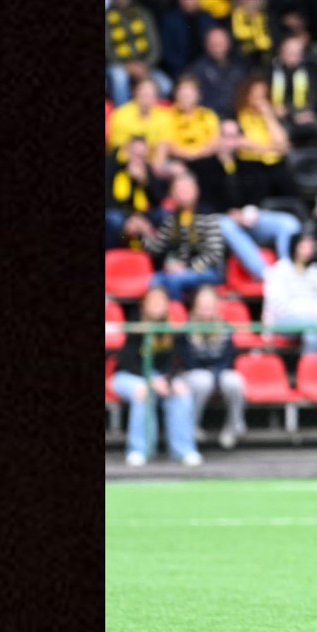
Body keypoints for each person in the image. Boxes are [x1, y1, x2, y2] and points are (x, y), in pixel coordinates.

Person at [111, 285, 202, 467]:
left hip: (160, 378)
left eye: (161, 302)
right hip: (128, 377)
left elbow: (176, 363)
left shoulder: (171, 330)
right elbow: (127, 363)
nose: (157, 306)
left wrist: (168, 381)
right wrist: (150, 381)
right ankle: (139, 450)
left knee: (181, 393)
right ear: (144, 305)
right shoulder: (134, 325)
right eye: (153, 302)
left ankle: (184, 451)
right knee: (143, 393)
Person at [179, 286, 247, 450]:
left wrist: (216, 375)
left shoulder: (226, 328)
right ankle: (191, 426)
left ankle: (234, 426)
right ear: (196, 305)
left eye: (210, 304)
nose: (206, 307)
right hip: (192, 374)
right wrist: (212, 375)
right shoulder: (186, 329)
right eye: (203, 304)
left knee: (235, 381)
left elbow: (229, 359)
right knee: (203, 380)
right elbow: (188, 362)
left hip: (219, 372)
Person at [145, 173, 228, 301]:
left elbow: (214, 254)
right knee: (153, 280)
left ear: (196, 191)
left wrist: (186, 267)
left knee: (174, 280)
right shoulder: (170, 219)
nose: (182, 193)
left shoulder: (208, 216)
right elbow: (157, 248)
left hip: (208, 270)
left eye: (186, 189)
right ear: (172, 194)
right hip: (178, 270)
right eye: (178, 190)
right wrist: (144, 233)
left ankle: (177, 316)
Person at [262, 233, 317, 355]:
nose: (308, 250)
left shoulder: (315, 271)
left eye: (310, 247)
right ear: (295, 247)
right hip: (283, 321)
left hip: (313, 321)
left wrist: (315, 314)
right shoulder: (280, 269)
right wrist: (309, 314)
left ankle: (311, 369)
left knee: (312, 332)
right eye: (304, 246)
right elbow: (277, 305)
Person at [106, 0, 173, 106]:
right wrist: (127, 66)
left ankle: (154, 118)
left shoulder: (143, 13)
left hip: (145, 65)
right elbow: (107, 49)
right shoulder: (107, 15)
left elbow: (155, 46)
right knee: (119, 78)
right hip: (118, 65)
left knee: (166, 85)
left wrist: (145, 65)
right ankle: (123, 115)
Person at [267, 34, 317, 149]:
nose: (293, 55)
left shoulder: (309, 71)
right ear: (281, 51)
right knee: (283, 133)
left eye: (297, 52)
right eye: (289, 51)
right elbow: (264, 94)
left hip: (303, 113)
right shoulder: (270, 70)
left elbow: (314, 96)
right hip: (278, 115)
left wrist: (305, 112)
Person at [106, 137, 167, 250]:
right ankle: (112, 255)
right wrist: (131, 218)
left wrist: (145, 183)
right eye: (135, 154)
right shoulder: (112, 166)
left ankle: (160, 257)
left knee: (164, 216)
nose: (138, 160)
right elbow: (108, 201)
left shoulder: (147, 170)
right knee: (113, 219)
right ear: (127, 152)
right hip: (120, 214)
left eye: (142, 156)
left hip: (142, 215)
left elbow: (158, 202)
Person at [188, 27, 249, 119]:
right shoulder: (197, 69)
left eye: (220, 42)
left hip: (237, 118)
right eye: (213, 42)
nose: (217, 45)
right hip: (208, 119)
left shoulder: (240, 67)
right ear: (206, 44)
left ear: (228, 44)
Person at [107, 77, 174, 156]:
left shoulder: (164, 116)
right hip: (124, 161)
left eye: (151, 94)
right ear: (135, 93)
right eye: (144, 94)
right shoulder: (120, 115)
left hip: (152, 163)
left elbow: (164, 145)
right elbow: (117, 147)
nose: (147, 98)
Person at [228, 0, 276, 68]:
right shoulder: (237, 13)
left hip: (262, 55)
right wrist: (255, 33)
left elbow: (268, 35)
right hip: (241, 55)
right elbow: (238, 33)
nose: (252, 2)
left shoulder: (264, 15)